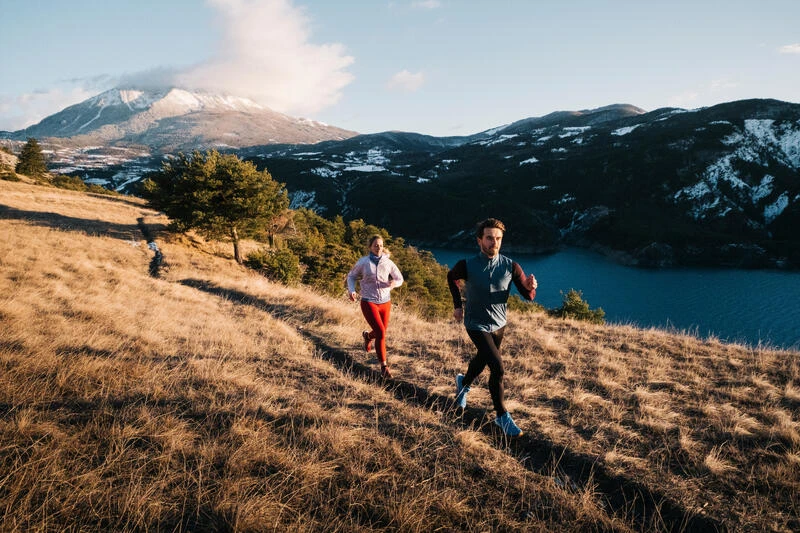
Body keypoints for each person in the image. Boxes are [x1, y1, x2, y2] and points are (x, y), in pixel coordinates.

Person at [447, 218, 537, 436]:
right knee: (497, 367)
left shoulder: (510, 266)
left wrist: (531, 287)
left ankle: (463, 383)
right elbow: (451, 277)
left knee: (482, 360)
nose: (493, 242)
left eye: (497, 238)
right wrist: (458, 306)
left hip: (499, 325)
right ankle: (501, 416)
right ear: (480, 240)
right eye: (489, 238)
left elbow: (529, 296)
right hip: (475, 324)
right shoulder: (466, 265)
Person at [347, 235, 404, 378]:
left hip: (385, 302)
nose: (379, 247)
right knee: (382, 333)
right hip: (368, 301)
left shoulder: (388, 262)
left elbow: (400, 279)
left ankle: (367, 336)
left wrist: (394, 284)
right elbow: (351, 276)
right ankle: (384, 367)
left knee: (381, 331)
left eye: (381, 245)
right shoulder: (363, 262)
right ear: (370, 247)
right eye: (376, 245)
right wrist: (352, 290)